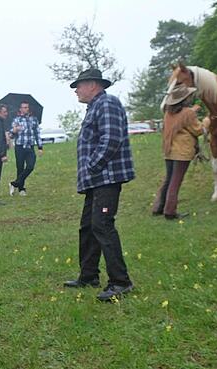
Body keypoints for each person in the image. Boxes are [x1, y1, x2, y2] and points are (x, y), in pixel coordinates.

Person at [63, 68, 136, 302]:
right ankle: (89, 276)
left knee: (102, 226)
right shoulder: (94, 108)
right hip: (97, 180)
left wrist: (92, 166)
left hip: (106, 177)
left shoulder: (107, 103)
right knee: (88, 227)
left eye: (79, 86)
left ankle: (120, 282)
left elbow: (111, 138)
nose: (76, 90)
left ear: (93, 85)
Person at [152, 86, 202, 220]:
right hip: (182, 152)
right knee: (175, 182)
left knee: (169, 179)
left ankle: (158, 207)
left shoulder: (168, 112)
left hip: (169, 150)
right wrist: (207, 122)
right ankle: (170, 211)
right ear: (185, 99)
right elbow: (198, 130)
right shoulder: (188, 113)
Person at [8, 101, 43, 196]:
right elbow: (11, 136)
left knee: (30, 166)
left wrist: (40, 147)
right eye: (23, 107)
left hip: (30, 147)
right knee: (20, 168)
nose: (25, 109)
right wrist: (14, 131)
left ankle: (14, 183)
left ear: (29, 108)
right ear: (20, 109)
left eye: (26, 107)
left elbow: (37, 134)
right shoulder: (16, 120)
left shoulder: (34, 120)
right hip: (19, 147)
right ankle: (21, 189)